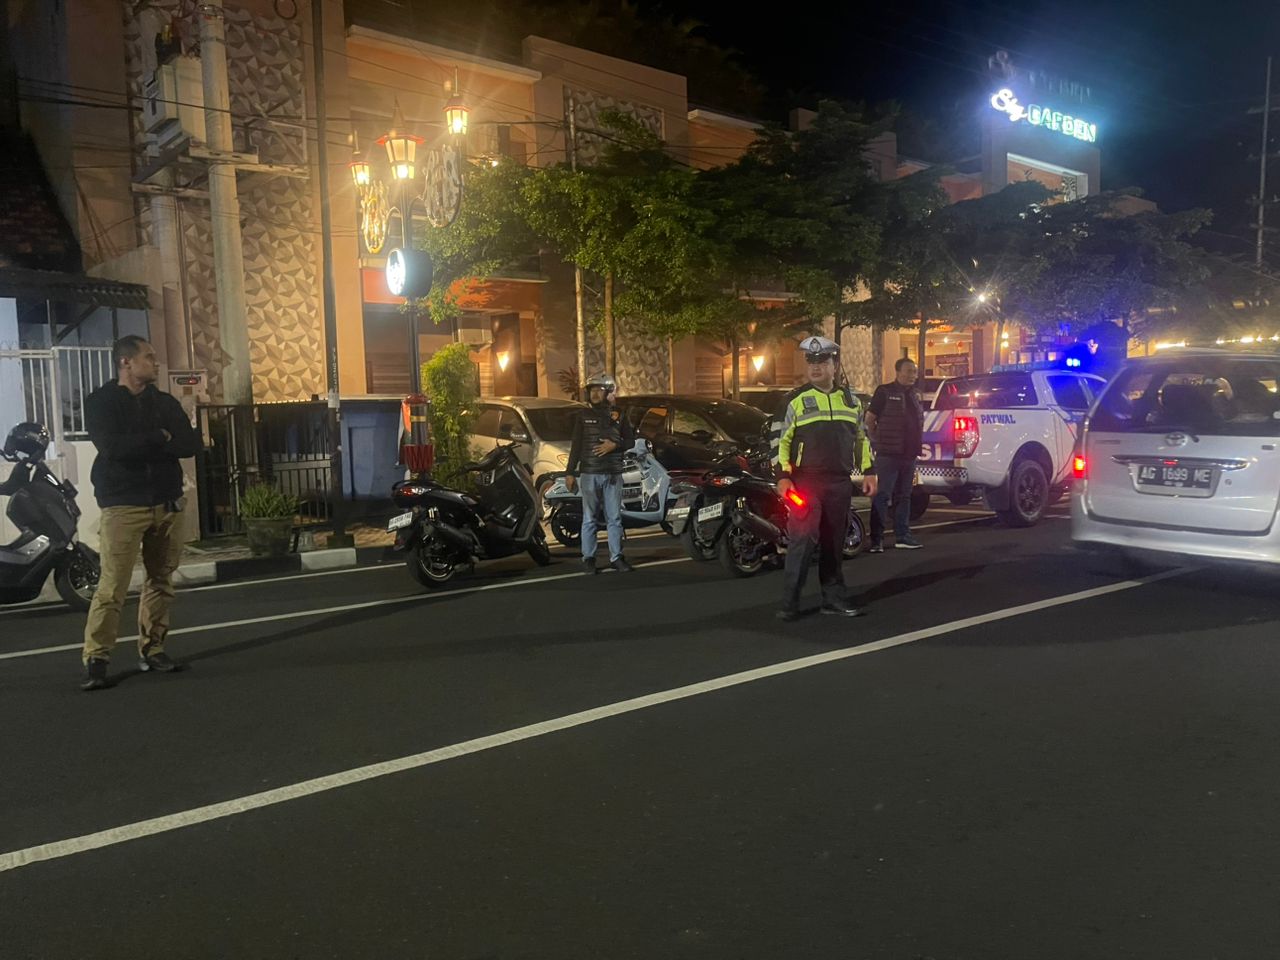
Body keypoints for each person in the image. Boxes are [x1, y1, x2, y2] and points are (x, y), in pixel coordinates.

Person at [79, 336, 199, 692]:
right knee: (112, 586)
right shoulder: (102, 402)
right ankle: (97, 659)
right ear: (126, 362)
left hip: (167, 503)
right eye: (149, 357)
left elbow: (190, 444)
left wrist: (151, 441)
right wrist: (159, 437)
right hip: (122, 504)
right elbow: (112, 448)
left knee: (161, 580)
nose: (155, 362)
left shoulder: (163, 402)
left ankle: (153, 649)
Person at [772, 336, 876, 622]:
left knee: (834, 542)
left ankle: (833, 598)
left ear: (835, 365)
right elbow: (779, 441)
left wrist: (869, 471)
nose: (816, 367)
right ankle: (790, 602)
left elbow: (861, 439)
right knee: (803, 540)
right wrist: (782, 476)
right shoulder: (793, 401)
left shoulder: (851, 401)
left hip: (839, 482)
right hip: (805, 482)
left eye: (822, 361)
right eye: (811, 362)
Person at [565, 372, 636, 575]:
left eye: (599, 390)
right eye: (592, 390)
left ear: (608, 392)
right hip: (589, 472)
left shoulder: (620, 415)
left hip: (613, 473)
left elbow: (630, 441)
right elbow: (576, 444)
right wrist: (569, 472)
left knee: (614, 517)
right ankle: (588, 558)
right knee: (589, 518)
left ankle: (617, 557)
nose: (595, 394)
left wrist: (615, 445)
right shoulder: (582, 415)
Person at [864, 358, 925, 553]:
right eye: (908, 371)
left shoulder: (914, 395)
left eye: (914, 371)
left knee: (904, 496)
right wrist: (877, 440)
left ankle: (902, 536)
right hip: (888, 454)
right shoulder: (884, 392)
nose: (912, 375)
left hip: (909, 454)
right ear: (897, 372)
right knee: (882, 496)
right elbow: (870, 419)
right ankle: (876, 540)